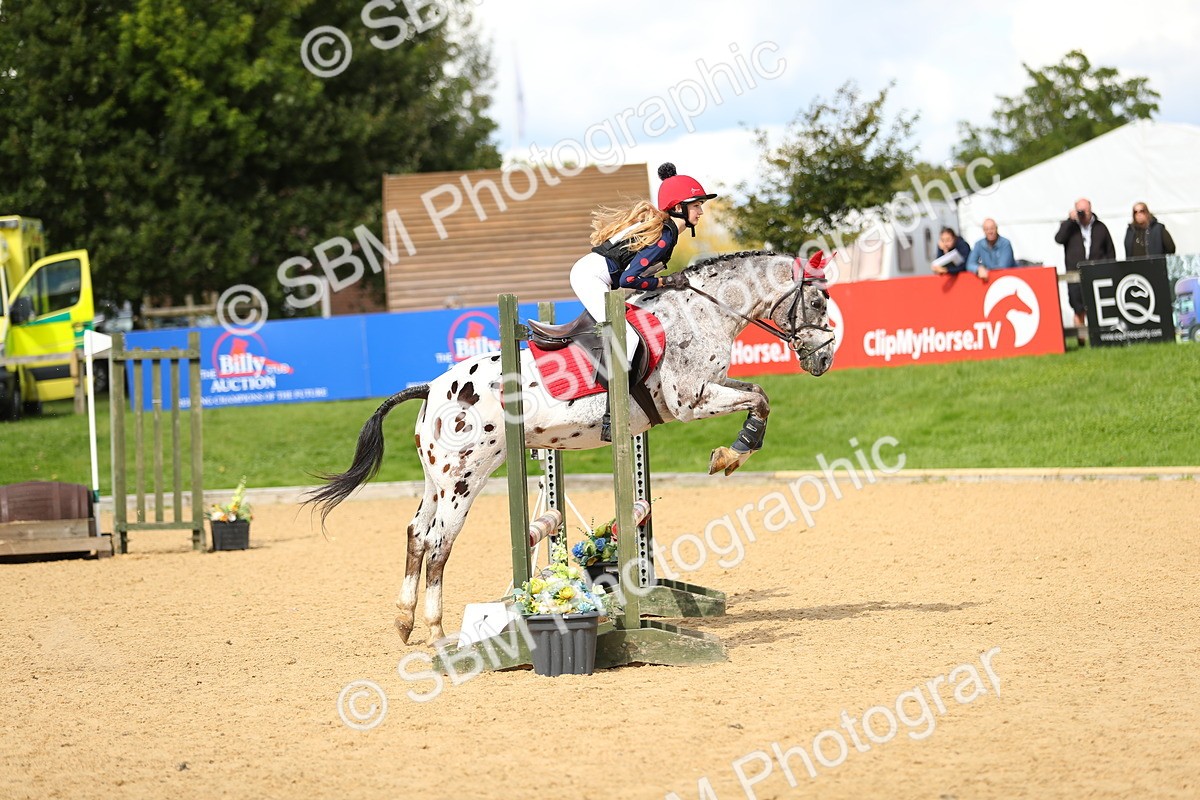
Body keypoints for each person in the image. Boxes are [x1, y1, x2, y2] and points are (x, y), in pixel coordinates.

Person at [569, 162, 716, 440]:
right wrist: (666, 282)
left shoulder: (667, 230)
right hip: (592, 278)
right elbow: (629, 280)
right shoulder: (665, 235)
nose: (701, 210)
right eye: (696, 205)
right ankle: (612, 415)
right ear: (679, 207)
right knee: (630, 339)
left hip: (602, 278)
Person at [1055, 198, 1116, 343]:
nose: (1082, 214)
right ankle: (1081, 340)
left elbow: (1110, 251)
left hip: (1097, 273)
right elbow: (1058, 239)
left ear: (1090, 209)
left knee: (1097, 307)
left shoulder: (1100, 227)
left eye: (1084, 210)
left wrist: (1109, 269)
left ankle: (1101, 338)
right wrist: (1070, 221)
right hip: (1074, 274)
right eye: (1079, 210)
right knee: (1078, 308)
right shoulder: (1070, 227)